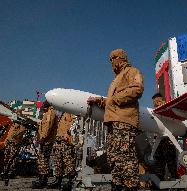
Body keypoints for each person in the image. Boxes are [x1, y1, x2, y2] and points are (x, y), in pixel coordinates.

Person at [87, 49, 144, 191]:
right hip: (113, 122)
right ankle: (117, 185)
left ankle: (131, 187)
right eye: (110, 59)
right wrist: (99, 100)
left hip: (124, 121)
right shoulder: (116, 78)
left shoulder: (131, 71)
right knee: (114, 157)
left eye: (113, 58)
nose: (112, 62)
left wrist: (116, 99)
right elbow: (110, 102)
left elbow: (137, 89)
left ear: (121, 58)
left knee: (126, 157)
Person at [151, 93, 178, 180]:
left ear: (160, 100)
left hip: (167, 139)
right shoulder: (155, 112)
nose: (155, 104)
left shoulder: (167, 110)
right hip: (158, 140)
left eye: (156, 101)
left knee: (171, 162)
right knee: (159, 163)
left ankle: (175, 180)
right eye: (154, 102)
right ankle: (160, 181)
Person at [32, 101, 58, 189]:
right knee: (42, 160)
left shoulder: (50, 113)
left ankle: (43, 180)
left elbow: (47, 128)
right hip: (45, 141)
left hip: (46, 141)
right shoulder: (48, 113)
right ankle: (41, 179)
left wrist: (42, 139)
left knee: (43, 160)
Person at [48, 112, 77, 189]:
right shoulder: (61, 113)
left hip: (66, 140)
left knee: (68, 161)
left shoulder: (70, 111)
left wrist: (68, 132)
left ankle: (71, 181)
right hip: (58, 139)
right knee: (58, 161)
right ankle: (58, 180)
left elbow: (74, 122)